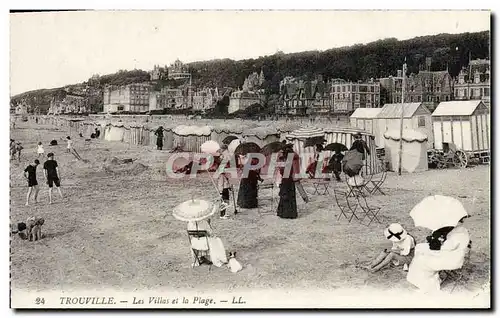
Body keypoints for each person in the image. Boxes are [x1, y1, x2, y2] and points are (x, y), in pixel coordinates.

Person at [407, 217, 471, 292]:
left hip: (452, 259)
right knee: (419, 250)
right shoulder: (457, 229)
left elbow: (447, 247)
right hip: (449, 254)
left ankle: (427, 285)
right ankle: (421, 280)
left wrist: (437, 241)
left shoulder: (458, 233)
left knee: (421, 260)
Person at [276, 145, 298, 219]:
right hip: (288, 180)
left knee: (285, 196)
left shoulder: (283, 161)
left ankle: (284, 213)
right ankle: (290, 213)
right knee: (289, 196)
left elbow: (281, 171)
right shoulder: (290, 161)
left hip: (286, 180)